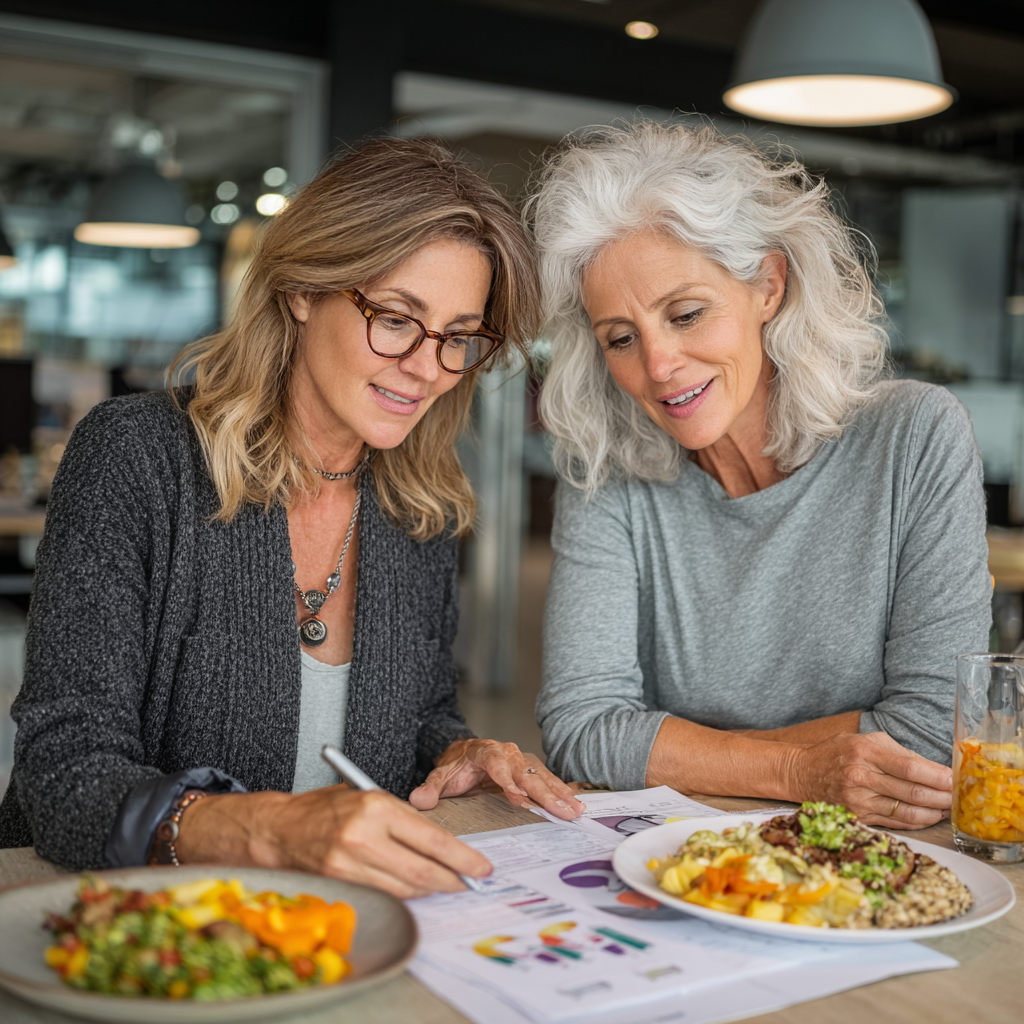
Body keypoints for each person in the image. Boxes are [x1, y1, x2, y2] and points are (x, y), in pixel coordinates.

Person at [0, 138, 582, 894]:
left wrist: (454, 752)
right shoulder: (139, 457)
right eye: (398, 318)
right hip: (123, 926)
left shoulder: (420, 507)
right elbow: (63, 769)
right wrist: (268, 831)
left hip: (328, 928)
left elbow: (422, 714)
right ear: (302, 289)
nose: (428, 366)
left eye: (458, 338)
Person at [528, 122, 991, 830]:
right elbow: (582, 730)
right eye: (620, 338)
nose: (657, 366)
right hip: (677, 860)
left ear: (768, 286)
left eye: (686, 314)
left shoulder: (915, 437)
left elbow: (932, 735)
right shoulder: (606, 474)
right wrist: (801, 771)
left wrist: (668, 749)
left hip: (874, 862)